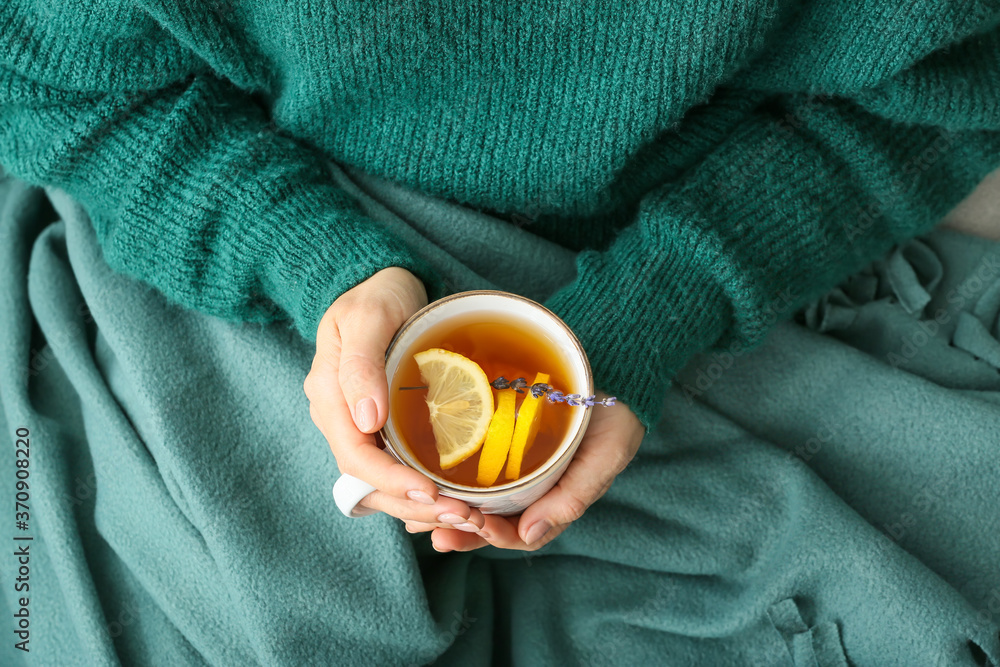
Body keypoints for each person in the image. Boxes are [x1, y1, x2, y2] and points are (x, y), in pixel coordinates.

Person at [1, 0, 998, 558]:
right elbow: (53, 86)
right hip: (271, 198)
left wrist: (665, 297)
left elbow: (948, 93)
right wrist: (312, 260)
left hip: (723, 228)